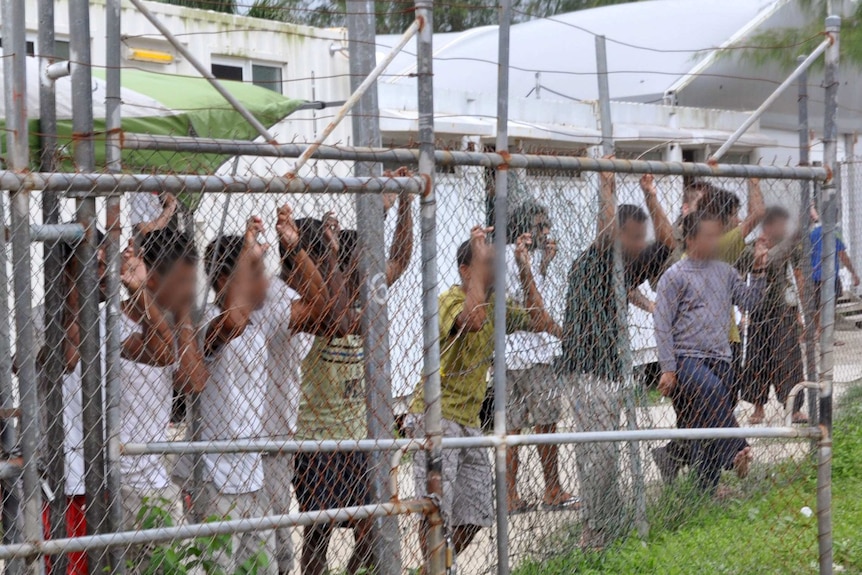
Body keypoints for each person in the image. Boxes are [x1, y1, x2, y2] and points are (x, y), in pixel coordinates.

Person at [410, 225, 560, 561]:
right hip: (436, 416)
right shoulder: (450, 299)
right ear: (467, 271)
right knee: (436, 509)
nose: (496, 270)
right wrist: (478, 261)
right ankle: (435, 568)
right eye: (486, 264)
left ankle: (433, 568)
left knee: (477, 511)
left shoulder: (497, 304)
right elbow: (472, 320)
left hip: (469, 419)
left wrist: (524, 267)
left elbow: (538, 319)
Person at [294, 187, 413, 575]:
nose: (371, 267)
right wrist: (336, 253)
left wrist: (406, 202)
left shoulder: (366, 296)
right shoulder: (322, 304)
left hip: (360, 435)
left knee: (370, 526)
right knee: (318, 533)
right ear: (347, 262)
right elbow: (340, 319)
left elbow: (400, 259)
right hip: (318, 439)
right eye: (362, 260)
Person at [201, 206, 325, 575]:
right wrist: (247, 254)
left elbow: (320, 305)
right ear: (225, 280)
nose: (265, 282)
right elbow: (232, 321)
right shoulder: (207, 321)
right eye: (255, 273)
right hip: (215, 478)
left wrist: (296, 249)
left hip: (251, 474)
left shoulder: (261, 321)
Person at [559, 169, 674, 549]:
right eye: (635, 236)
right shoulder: (599, 258)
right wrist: (606, 184)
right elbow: (606, 229)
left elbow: (669, 243)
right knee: (597, 455)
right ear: (619, 234)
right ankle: (594, 531)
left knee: (604, 453)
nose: (642, 244)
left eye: (643, 237)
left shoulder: (625, 263)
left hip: (610, 368)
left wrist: (650, 194)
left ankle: (604, 525)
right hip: (587, 369)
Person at [653, 178, 765, 482]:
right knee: (712, 391)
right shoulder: (674, 276)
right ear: (691, 240)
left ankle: (706, 486)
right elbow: (662, 324)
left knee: (711, 414)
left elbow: (750, 302)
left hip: (721, 356)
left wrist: (759, 271)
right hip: (688, 358)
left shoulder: (725, 271)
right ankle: (738, 450)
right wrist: (667, 368)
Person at [117, 230, 207, 539]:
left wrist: (183, 314)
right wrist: (142, 293)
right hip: (121, 481)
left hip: (156, 479)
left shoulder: (176, 324)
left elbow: (193, 383)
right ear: (153, 279)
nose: (191, 291)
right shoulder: (109, 322)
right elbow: (160, 351)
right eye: (183, 282)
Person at [503, 199, 577, 514]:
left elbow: (531, 295)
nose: (546, 231)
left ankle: (509, 495)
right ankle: (552, 489)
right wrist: (565, 335)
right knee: (546, 424)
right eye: (540, 226)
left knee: (510, 428)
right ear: (525, 229)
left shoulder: (514, 256)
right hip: (534, 354)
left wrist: (544, 264)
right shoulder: (517, 258)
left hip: (508, 356)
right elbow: (536, 313)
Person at [736, 207, 806, 424]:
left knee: (789, 360)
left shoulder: (789, 246)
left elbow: (798, 275)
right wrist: (741, 311)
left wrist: (801, 312)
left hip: (781, 310)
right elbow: (738, 277)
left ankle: (793, 408)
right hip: (757, 312)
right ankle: (758, 408)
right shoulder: (750, 248)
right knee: (756, 361)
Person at [810, 206, 860, 335]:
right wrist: (853, 273)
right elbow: (842, 255)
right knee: (829, 306)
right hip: (830, 275)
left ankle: (818, 331)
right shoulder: (835, 233)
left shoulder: (813, 233)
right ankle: (825, 335)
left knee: (816, 305)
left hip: (815, 275)